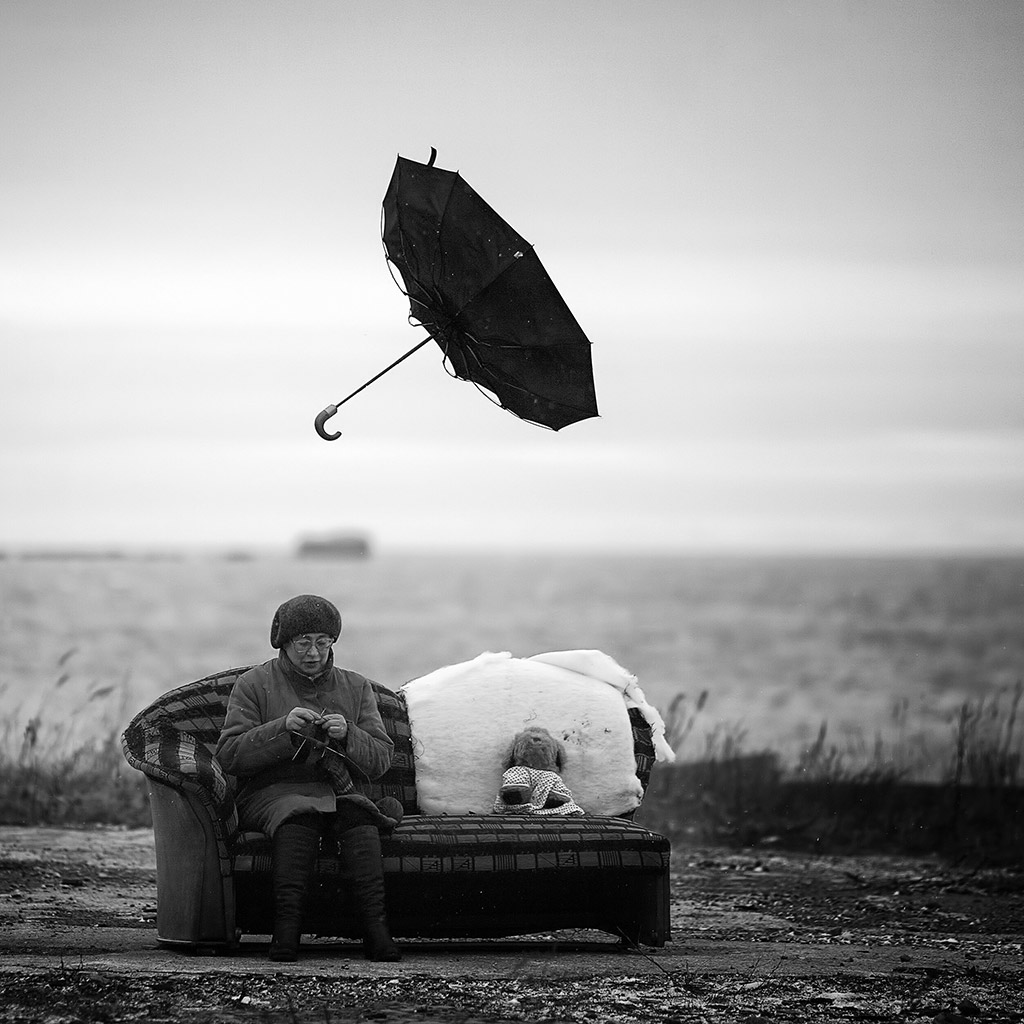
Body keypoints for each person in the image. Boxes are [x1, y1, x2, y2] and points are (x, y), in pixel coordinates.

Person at [216, 594, 403, 962]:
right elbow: (229, 756)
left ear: (333, 642)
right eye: (303, 642)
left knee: (359, 815)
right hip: (271, 795)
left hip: (338, 792)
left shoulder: (356, 687)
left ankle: (378, 933)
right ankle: (286, 934)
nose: (314, 652)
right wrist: (281, 729)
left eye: (323, 642)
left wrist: (349, 733)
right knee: (299, 814)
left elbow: (381, 760)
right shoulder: (253, 684)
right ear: (283, 642)